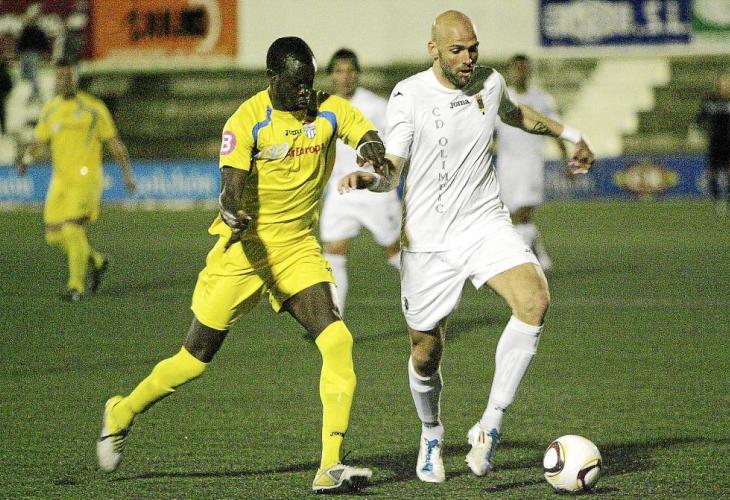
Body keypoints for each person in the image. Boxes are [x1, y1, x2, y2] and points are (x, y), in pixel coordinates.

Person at [95, 37, 387, 494]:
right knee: (193, 359)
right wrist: (232, 210)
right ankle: (122, 411)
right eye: (296, 84)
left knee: (337, 340)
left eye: (310, 83)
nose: (305, 92)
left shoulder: (328, 110)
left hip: (295, 249)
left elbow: (366, 134)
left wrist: (371, 150)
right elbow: (229, 188)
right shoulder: (247, 120)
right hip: (245, 252)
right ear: (272, 79)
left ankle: (329, 465)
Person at [338, 10, 594, 483]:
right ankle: (431, 432)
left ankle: (489, 425)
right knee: (425, 352)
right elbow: (392, 168)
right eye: (456, 50)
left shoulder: (490, 82)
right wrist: (370, 179)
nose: (467, 58)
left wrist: (571, 135)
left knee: (534, 299)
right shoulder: (408, 95)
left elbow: (516, 114)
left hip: (483, 223)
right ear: (433, 49)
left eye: (472, 48)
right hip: (428, 242)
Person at [17, 61, 136, 302]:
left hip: (86, 180)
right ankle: (97, 261)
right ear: (56, 80)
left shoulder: (93, 108)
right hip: (59, 181)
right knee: (53, 236)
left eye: (69, 76)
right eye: (61, 77)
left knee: (72, 229)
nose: (65, 81)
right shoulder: (50, 109)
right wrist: (27, 159)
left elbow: (113, 142)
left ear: (76, 79)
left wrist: (127, 174)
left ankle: (76, 286)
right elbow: (39, 140)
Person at [319, 48, 401, 314]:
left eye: (350, 71)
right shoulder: (325, 107)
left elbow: (396, 142)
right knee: (333, 252)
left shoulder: (375, 106)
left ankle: (432, 296)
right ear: (331, 75)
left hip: (374, 190)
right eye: (339, 71)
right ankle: (334, 320)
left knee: (395, 251)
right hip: (341, 191)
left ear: (357, 74)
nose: (345, 76)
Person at [495, 54, 569, 273]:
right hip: (507, 165)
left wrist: (566, 159)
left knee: (523, 211)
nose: (519, 73)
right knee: (513, 215)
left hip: (531, 162)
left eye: (523, 68)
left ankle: (522, 263)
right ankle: (537, 252)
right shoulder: (499, 99)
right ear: (509, 72)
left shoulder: (542, 99)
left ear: (530, 72)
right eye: (515, 69)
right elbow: (489, 132)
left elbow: (554, 129)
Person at [697, 72, 730, 216]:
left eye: (728, 85)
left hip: (729, 143)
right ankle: (717, 201)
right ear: (719, 86)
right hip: (715, 142)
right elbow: (700, 119)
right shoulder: (711, 101)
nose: (726, 87)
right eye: (723, 84)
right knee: (713, 172)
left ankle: (727, 202)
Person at [16, 3, 50, 102]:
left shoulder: (37, 29)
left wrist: (44, 51)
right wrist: (18, 51)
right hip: (25, 53)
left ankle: (35, 93)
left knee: (33, 74)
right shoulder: (26, 28)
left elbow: (43, 40)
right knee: (24, 75)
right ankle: (34, 92)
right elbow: (21, 41)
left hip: (34, 53)